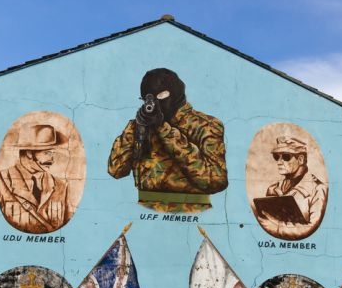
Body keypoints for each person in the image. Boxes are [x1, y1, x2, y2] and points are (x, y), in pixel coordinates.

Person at [108, 68, 227, 213]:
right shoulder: (141, 126)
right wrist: (134, 129)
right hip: (145, 211)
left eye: (161, 96)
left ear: (175, 93)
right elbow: (116, 170)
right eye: (147, 99)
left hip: (191, 211)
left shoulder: (205, 125)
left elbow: (215, 181)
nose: (154, 103)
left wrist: (164, 129)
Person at [0, 124, 72, 233]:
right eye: (47, 153)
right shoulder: (0, 181)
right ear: (29, 153)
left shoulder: (60, 186)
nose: (52, 159)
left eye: (53, 153)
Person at [256, 136, 327, 240]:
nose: (279, 162)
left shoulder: (318, 189)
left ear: (301, 159)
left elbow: (313, 228)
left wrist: (278, 228)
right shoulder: (273, 189)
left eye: (286, 156)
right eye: (276, 157)